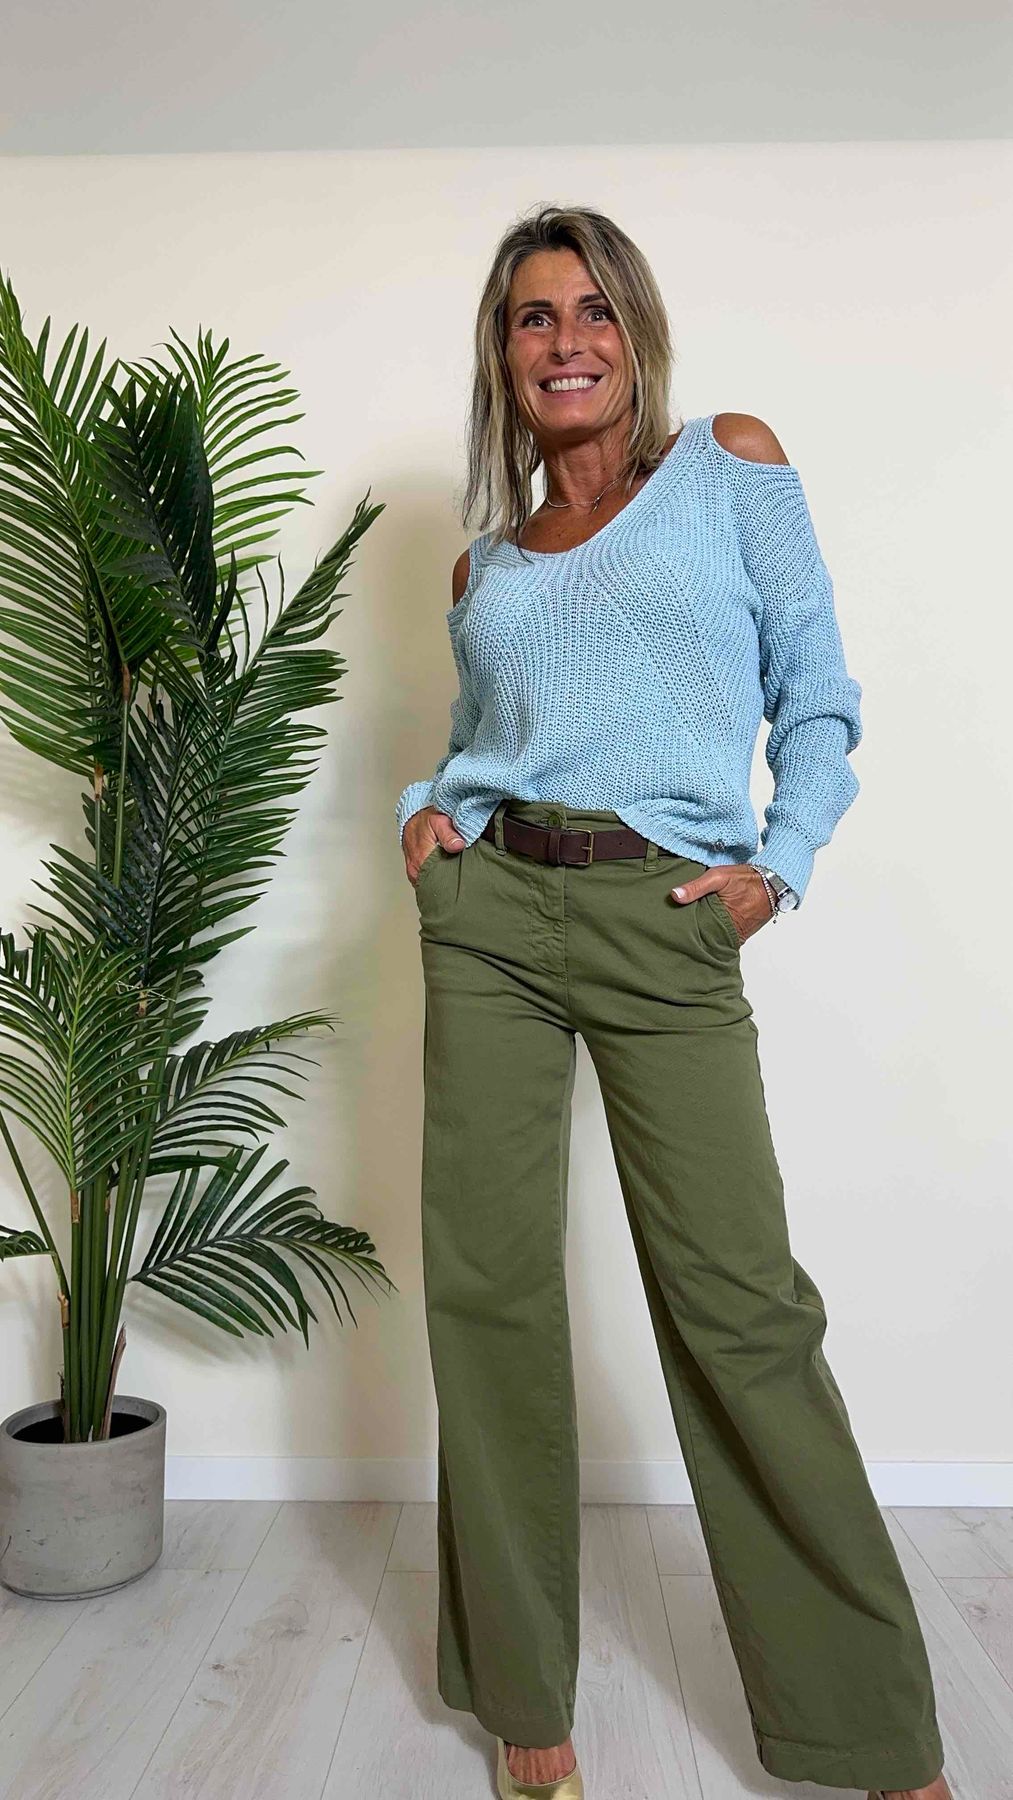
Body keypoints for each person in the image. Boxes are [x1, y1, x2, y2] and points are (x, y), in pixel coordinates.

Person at [396, 203, 951, 1800]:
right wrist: (427, 816)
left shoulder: (728, 466)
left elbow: (816, 693)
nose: (564, 340)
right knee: (490, 1299)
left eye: (591, 309)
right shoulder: (483, 564)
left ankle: (874, 1736)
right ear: (501, 357)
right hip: (492, 921)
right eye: (532, 317)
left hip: (666, 914)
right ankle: (527, 1710)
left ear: (634, 332)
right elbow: (487, 738)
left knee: (741, 1308)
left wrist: (780, 863)